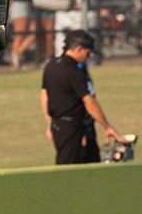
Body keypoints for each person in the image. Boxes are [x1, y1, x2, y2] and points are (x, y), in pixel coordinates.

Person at [40, 30, 122, 165]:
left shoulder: (52, 65)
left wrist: (49, 122)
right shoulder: (72, 70)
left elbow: (44, 94)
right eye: (88, 53)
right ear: (79, 49)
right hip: (73, 128)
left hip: (59, 125)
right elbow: (89, 101)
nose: (88, 57)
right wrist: (107, 126)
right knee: (71, 171)